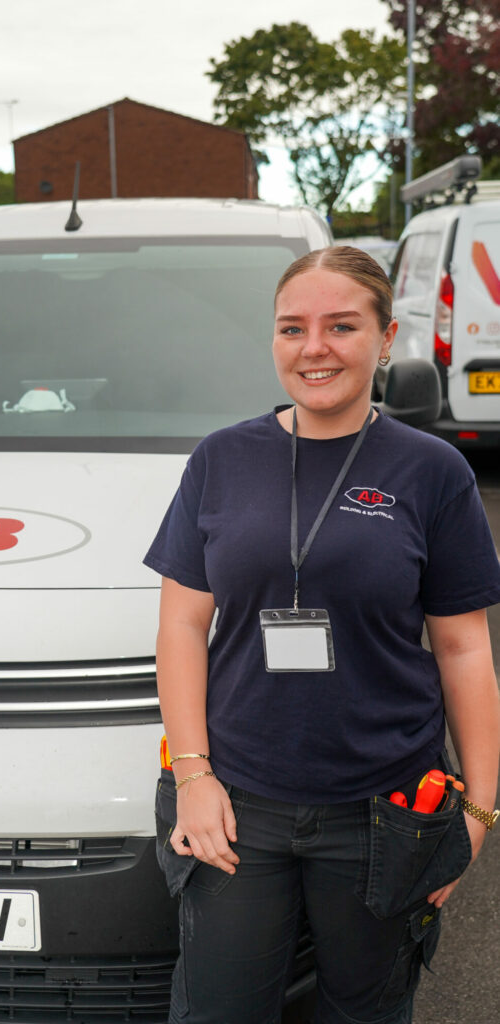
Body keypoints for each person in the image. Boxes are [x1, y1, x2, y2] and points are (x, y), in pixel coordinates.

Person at [144, 246, 500, 1024]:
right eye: (292, 328)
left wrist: (478, 814)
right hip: (238, 804)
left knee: (366, 1012)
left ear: (384, 336)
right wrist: (196, 777)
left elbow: (464, 649)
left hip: (387, 808)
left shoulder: (433, 472)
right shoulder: (221, 460)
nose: (315, 348)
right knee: (217, 1010)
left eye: (342, 326)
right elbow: (180, 626)